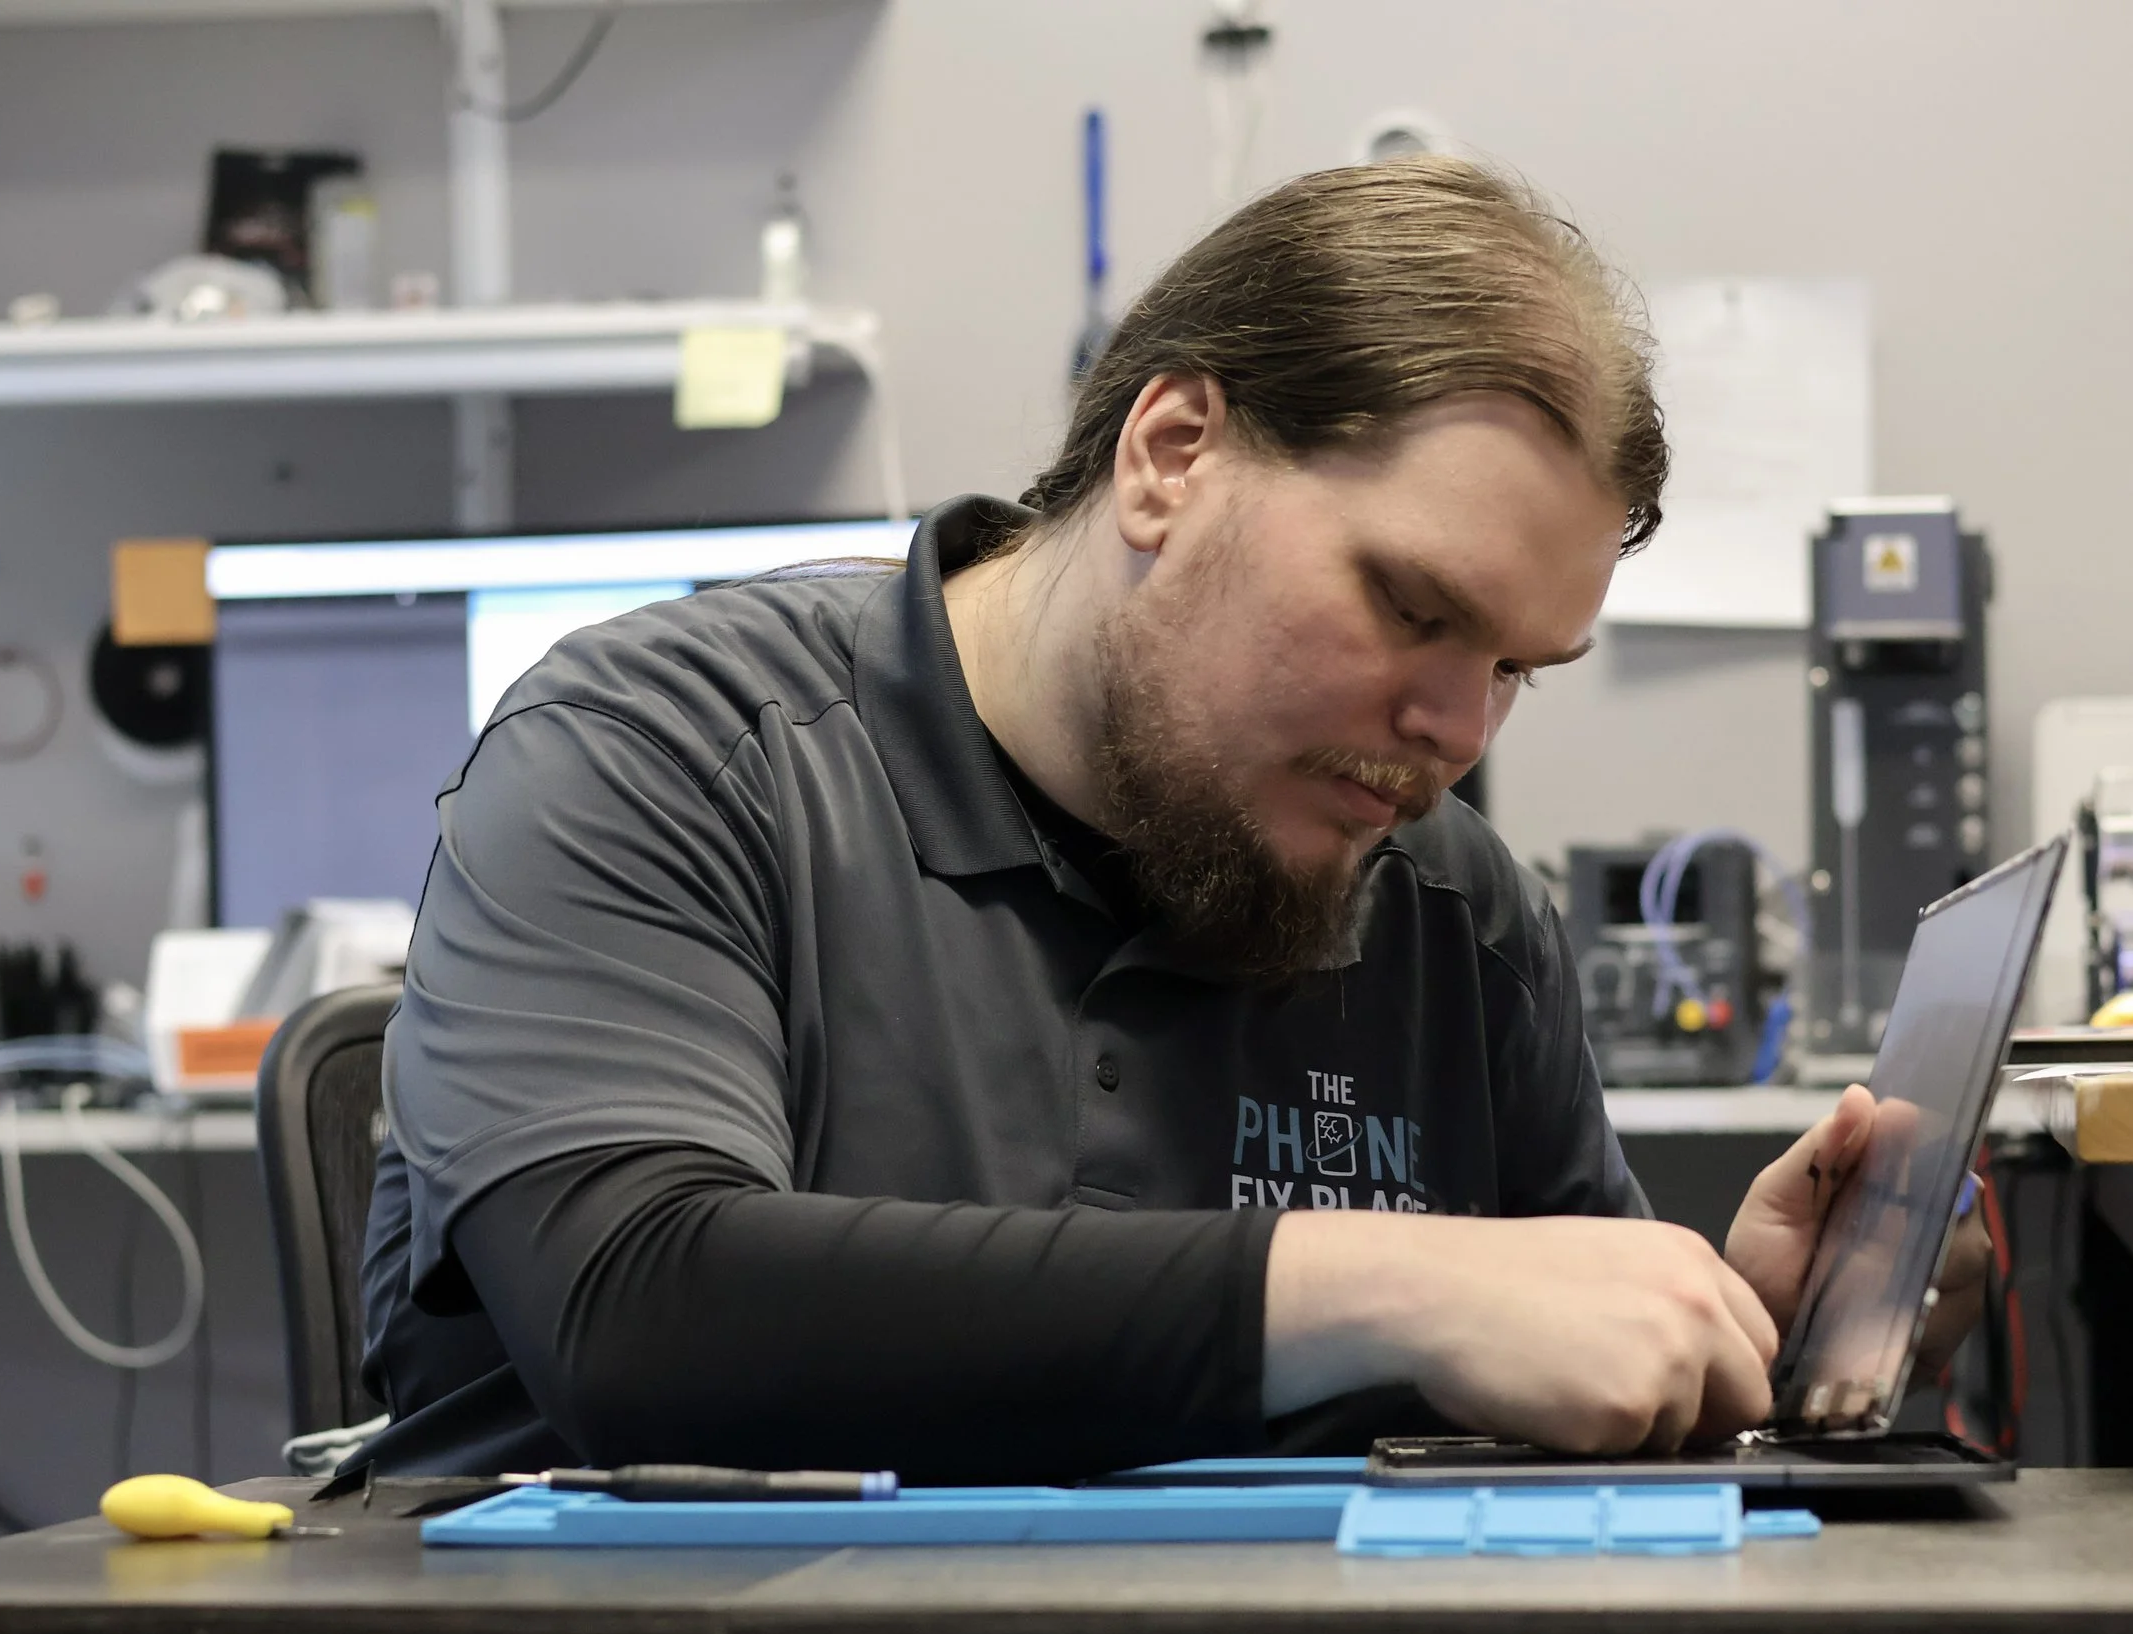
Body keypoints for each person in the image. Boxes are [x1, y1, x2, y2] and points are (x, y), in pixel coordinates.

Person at [353, 156, 1986, 1480]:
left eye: (1512, 666)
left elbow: (1553, 1370)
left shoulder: (1449, 910)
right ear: (1171, 452)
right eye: (1412, 606)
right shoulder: (668, 753)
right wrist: (1381, 1281)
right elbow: (642, 1314)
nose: (1455, 729)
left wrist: (1742, 1348)